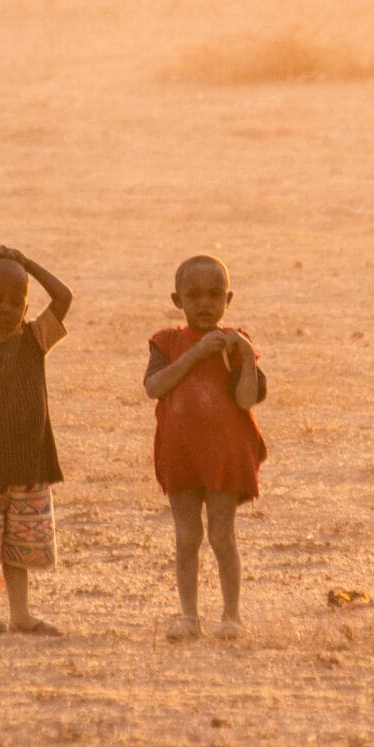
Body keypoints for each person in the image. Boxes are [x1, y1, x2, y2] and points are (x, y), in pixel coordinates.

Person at [144, 254, 266, 639]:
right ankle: (188, 616)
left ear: (228, 299)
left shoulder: (235, 344)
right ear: (177, 299)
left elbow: (246, 400)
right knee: (187, 536)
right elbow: (154, 387)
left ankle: (231, 616)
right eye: (193, 295)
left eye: (214, 295)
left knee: (221, 535)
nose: (204, 304)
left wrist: (245, 356)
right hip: (180, 454)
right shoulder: (167, 342)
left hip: (225, 455)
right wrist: (196, 353)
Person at [0, 244, 72, 636]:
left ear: (26, 306)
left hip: (29, 465)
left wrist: (27, 264)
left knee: (19, 545)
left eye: (16, 301)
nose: (6, 308)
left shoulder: (36, 340)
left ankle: (20, 614)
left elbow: (63, 297)